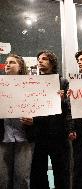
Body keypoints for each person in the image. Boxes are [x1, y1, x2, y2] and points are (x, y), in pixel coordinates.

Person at [30, 50, 73, 189]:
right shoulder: (32, 82)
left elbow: (70, 107)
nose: (40, 61)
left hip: (58, 132)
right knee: (38, 172)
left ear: (52, 62)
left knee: (61, 171)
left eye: (44, 59)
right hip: (38, 132)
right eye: (39, 59)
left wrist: (63, 100)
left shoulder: (62, 81)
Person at [0, 54, 35, 189]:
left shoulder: (32, 86)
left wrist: (34, 120)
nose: (7, 64)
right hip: (3, 137)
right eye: (6, 62)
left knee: (22, 178)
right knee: (2, 179)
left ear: (20, 67)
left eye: (12, 62)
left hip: (24, 138)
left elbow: (41, 109)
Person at [68, 49, 82, 189]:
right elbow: (70, 107)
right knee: (80, 163)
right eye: (78, 61)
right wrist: (71, 127)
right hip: (80, 127)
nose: (80, 63)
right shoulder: (75, 80)